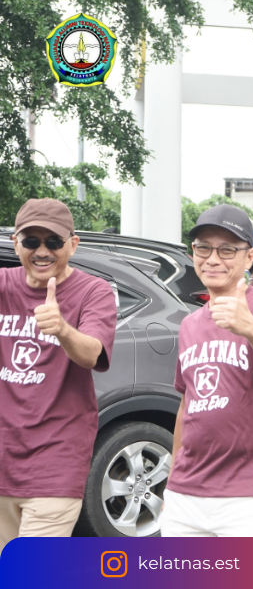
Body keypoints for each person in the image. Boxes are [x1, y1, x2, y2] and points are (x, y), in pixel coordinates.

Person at [161, 205, 253, 537]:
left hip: (251, 490)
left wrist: (250, 327)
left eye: (226, 250)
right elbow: (186, 406)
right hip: (187, 490)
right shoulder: (190, 324)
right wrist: (173, 480)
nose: (212, 259)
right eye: (203, 248)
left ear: (249, 256)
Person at [0, 199, 116, 551]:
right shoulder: (3, 286)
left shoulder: (93, 292)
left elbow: (92, 352)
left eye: (53, 242)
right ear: (15, 242)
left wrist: (63, 329)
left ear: (73, 243)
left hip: (55, 463)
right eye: (31, 241)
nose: (41, 251)